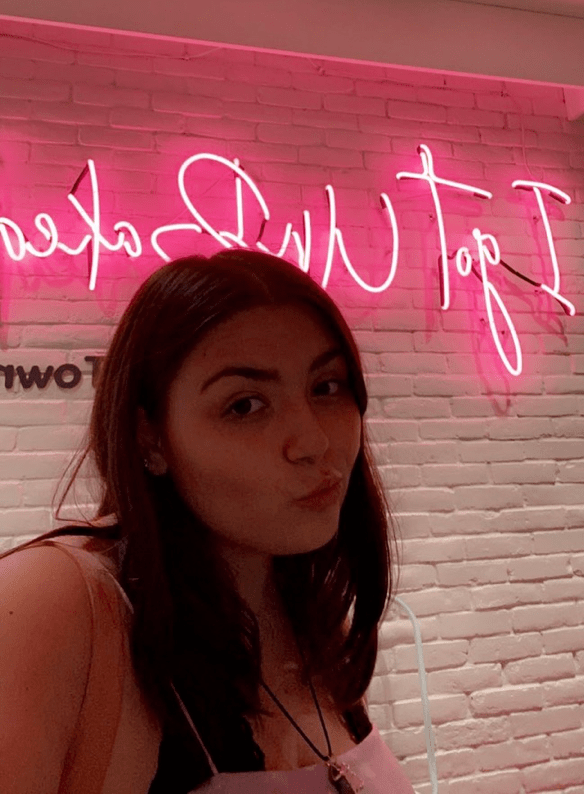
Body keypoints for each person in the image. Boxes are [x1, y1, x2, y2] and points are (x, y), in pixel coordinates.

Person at [0, 250, 416, 794]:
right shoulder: (56, 604)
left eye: (326, 387)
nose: (314, 442)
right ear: (151, 438)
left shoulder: (304, 614)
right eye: (245, 405)